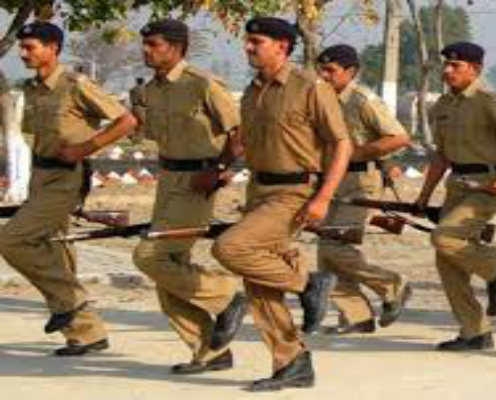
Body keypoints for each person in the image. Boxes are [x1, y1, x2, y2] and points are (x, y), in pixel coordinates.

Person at [212, 17, 352, 391]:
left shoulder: (310, 86)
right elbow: (246, 142)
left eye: (256, 41)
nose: (247, 47)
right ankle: (292, 362)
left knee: (231, 248)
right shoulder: (252, 91)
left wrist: (323, 197)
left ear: (282, 46)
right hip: (258, 190)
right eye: (247, 41)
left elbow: (341, 143)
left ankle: (309, 283)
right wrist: (222, 169)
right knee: (260, 283)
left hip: (295, 193)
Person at [0, 22, 137, 356]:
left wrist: (85, 148)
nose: (23, 54)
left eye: (30, 47)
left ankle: (70, 303)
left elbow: (127, 121)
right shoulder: (32, 88)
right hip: (41, 175)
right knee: (57, 250)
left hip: (67, 178)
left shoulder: (76, 85)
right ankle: (86, 334)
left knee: (13, 239)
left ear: (53, 48)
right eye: (21, 48)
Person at [132, 19, 246, 375]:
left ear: (178, 47)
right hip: (167, 179)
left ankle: (226, 295)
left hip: (198, 182)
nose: (146, 51)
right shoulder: (150, 90)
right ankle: (209, 350)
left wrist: (221, 169)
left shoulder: (202, 84)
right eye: (145, 44)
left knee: (150, 255)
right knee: (168, 269)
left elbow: (240, 133)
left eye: (154, 44)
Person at [415, 41, 496, 351]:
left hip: (487, 185)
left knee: (445, 238)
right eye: (446, 64)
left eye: (455, 66)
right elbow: (441, 156)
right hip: (456, 184)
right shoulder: (442, 104)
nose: (447, 71)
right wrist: (424, 195)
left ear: (475, 69)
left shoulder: (489, 101)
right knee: (447, 261)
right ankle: (475, 332)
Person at [316, 44, 412, 335]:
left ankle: (392, 285)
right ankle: (355, 316)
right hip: (331, 180)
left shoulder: (362, 100)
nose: (324, 76)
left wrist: (356, 153)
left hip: (360, 181)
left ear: (351, 72)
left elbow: (398, 137)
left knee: (335, 246)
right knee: (326, 251)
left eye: (331, 70)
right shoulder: (322, 98)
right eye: (321, 70)